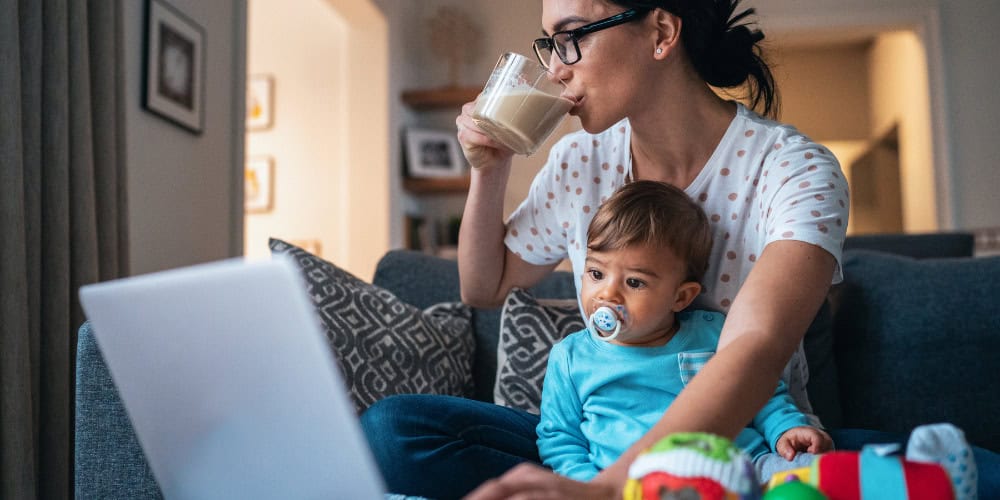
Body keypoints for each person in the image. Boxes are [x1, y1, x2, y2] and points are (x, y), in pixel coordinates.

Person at [360, 0, 989, 498]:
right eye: (548, 44)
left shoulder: (793, 169)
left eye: (572, 35)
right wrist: (488, 168)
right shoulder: (578, 161)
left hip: (748, 443)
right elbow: (482, 287)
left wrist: (612, 491)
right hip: (602, 444)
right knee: (394, 431)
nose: (555, 68)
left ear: (661, 32)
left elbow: (752, 347)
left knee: (975, 471)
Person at [537, 180, 833, 484]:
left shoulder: (715, 333)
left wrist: (787, 428)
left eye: (635, 282)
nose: (607, 294)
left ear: (681, 297)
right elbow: (560, 440)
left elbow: (761, 394)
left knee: (815, 473)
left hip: (742, 468)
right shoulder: (570, 358)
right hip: (634, 487)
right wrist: (588, 487)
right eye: (596, 274)